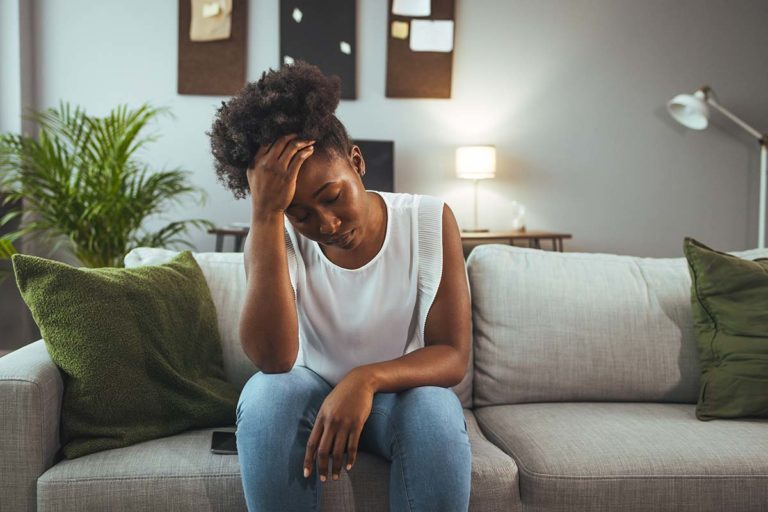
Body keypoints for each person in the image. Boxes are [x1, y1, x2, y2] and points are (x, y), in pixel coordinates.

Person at [208, 61, 472, 512]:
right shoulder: (273, 234)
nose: (326, 224)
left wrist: (365, 379)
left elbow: (453, 356)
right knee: (268, 395)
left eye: (332, 197)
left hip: (398, 401)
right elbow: (274, 360)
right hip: (306, 398)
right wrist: (267, 215)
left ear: (356, 161)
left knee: (435, 409)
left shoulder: (429, 219)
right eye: (300, 212)